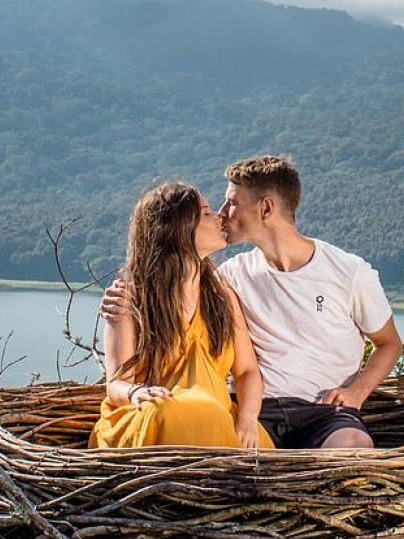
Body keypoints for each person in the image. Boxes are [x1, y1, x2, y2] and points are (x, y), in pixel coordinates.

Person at [103, 156, 402, 450]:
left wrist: (356, 393)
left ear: (266, 208)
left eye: (231, 202)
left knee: (353, 446)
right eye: (211, 210)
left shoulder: (349, 272)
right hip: (260, 411)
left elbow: (389, 343)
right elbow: (170, 286)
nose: (221, 213)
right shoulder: (231, 277)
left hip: (323, 412)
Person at [89, 181, 273, 450]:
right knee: (194, 413)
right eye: (206, 213)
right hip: (155, 415)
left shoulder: (222, 297)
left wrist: (246, 418)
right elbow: (116, 384)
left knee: (257, 447)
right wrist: (136, 392)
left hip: (218, 418)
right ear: (177, 228)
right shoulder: (131, 298)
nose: (218, 217)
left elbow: (247, 371)